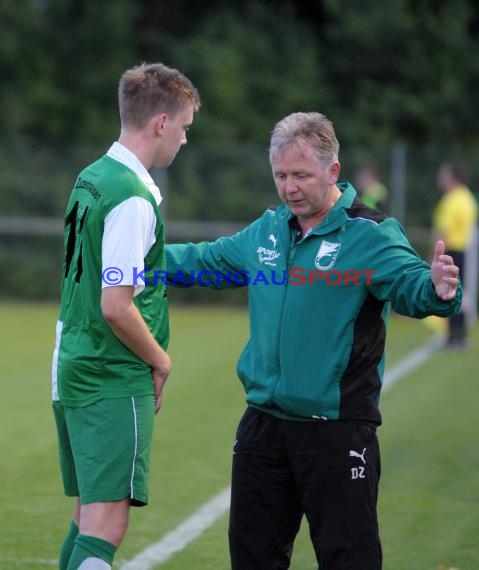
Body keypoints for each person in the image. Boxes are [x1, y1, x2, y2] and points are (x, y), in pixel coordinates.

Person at [165, 112, 461, 570]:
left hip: (337, 429)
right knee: (251, 558)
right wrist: (132, 259)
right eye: (280, 175)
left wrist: (439, 290)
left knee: (349, 559)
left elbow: (412, 286)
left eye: (301, 175)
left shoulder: (370, 233)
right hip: (263, 425)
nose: (289, 187)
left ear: (333, 171)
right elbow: (203, 260)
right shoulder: (266, 229)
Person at [51, 62, 200, 570]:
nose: (183, 141)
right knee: (106, 525)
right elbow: (116, 305)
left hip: (75, 357)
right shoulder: (133, 197)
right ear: (161, 123)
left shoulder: (92, 175)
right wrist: (161, 360)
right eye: (182, 128)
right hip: (109, 373)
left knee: (88, 515)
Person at [432, 160, 477, 349]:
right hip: (464, 250)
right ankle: (460, 334)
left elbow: (445, 231)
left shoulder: (452, 199)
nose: (440, 178)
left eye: (443, 174)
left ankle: (453, 337)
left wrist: (433, 255)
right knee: (461, 291)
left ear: (452, 177)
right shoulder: (467, 196)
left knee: (449, 291)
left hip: (450, 251)